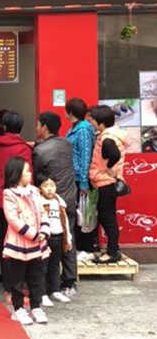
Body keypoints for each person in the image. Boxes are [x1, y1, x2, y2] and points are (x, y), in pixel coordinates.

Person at [33, 112, 78, 297]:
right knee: (68, 238)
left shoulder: (40, 150)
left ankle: (49, 284)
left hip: (50, 203)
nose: (36, 128)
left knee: (47, 241)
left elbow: (37, 176)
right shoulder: (67, 144)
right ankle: (70, 281)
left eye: (38, 125)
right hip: (69, 198)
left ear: (44, 127)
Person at [2, 156, 50, 326]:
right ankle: (19, 309)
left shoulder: (35, 191)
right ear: (17, 175)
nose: (30, 174)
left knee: (36, 277)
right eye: (27, 171)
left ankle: (36, 307)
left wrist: (44, 230)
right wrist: (33, 234)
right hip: (19, 243)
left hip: (37, 243)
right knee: (17, 278)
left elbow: (43, 212)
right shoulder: (9, 194)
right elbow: (13, 219)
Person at [0, 111, 32, 295]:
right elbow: (27, 177)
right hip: (18, 198)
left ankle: (8, 281)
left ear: (4, 126)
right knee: (21, 239)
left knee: (4, 240)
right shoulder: (24, 149)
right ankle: (19, 281)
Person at [89, 105, 127, 263]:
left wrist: (109, 168)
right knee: (107, 217)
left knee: (107, 218)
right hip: (106, 182)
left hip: (106, 183)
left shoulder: (108, 138)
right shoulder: (109, 135)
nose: (90, 122)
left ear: (101, 122)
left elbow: (114, 155)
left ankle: (113, 252)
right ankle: (113, 249)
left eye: (92, 120)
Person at [65, 98, 97, 252]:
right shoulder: (74, 128)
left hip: (81, 178)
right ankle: (80, 248)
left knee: (84, 214)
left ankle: (86, 248)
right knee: (79, 212)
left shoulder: (83, 130)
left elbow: (85, 156)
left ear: (71, 112)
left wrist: (84, 181)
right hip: (75, 176)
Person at [37, 175, 73, 307]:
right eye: (46, 186)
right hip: (45, 239)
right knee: (43, 266)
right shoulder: (39, 202)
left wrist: (68, 238)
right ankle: (42, 293)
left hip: (58, 237)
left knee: (55, 265)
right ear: (40, 188)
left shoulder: (59, 202)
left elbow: (65, 221)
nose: (49, 189)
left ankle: (55, 290)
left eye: (52, 185)